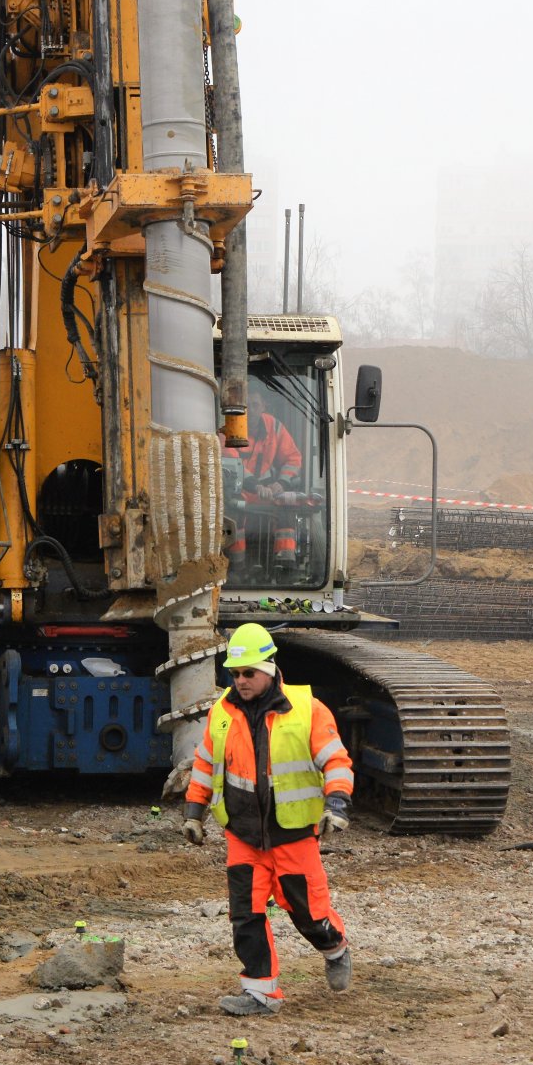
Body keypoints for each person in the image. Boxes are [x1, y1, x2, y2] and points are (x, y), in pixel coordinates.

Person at [182, 623, 354, 1015]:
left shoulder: (308, 710)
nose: (240, 681)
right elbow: (206, 764)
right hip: (243, 835)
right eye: (235, 673)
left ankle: (335, 948)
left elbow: (336, 761)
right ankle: (261, 993)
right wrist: (195, 812)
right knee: (245, 915)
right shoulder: (222, 712)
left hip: (292, 835)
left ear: (271, 668)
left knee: (309, 913)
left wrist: (338, 804)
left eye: (249, 673)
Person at [223, 392, 304, 573]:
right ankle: (237, 568)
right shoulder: (227, 430)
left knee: (287, 508)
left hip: (267, 491)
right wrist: (257, 486)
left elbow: (293, 458)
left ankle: (285, 567)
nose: (250, 410)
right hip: (236, 490)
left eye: (255, 404)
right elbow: (233, 466)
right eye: (245, 406)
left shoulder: (274, 427)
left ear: (263, 406)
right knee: (231, 513)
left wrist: (281, 483)